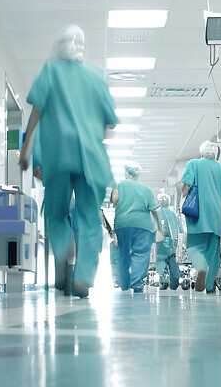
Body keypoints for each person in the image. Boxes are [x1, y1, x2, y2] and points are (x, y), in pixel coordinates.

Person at [20, 25, 118, 298]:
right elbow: (108, 122)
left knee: (56, 214)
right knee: (89, 219)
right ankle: (84, 276)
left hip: (58, 157)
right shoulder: (96, 76)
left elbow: (36, 115)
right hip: (90, 158)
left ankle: (67, 251)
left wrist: (26, 152)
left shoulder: (49, 72)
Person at [178, 141, 221, 292]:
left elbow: (186, 187)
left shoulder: (194, 164)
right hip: (214, 217)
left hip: (195, 214)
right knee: (213, 254)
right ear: (215, 154)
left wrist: (181, 204)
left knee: (194, 247)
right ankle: (209, 286)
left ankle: (201, 267)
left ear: (202, 152)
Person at [110, 162, 162, 293]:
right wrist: (159, 228)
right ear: (138, 174)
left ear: (126, 173)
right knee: (141, 254)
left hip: (123, 224)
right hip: (143, 226)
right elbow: (155, 210)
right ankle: (137, 284)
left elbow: (115, 202)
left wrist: (112, 231)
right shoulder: (145, 189)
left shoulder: (118, 186)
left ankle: (125, 284)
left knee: (123, 254)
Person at [154, 193, 183, 290]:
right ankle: (173, 283)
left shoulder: (155, 213)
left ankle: (163, 280)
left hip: (159, 245)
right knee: (173, 265)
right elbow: (180, 229)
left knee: (161, 262)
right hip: (171, 245)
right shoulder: (173, 214)